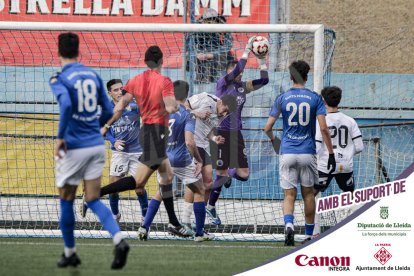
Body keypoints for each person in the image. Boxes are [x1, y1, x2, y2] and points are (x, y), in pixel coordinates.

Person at [50, 32, 129, 269]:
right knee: (93, 198)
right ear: (78, 51)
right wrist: (94, 126)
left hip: (74, 147)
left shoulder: (59, 78)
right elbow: (109, 110)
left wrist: (60, 137)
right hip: (96, 145)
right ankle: (118, 238)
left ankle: (70, 252)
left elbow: (65, 104)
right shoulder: (93, 75)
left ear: (58, 51)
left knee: (67, 198)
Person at [99, 46, 189, 236]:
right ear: (162, 61)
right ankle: (96, 193)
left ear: (146, 62)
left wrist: (106, 126)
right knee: (139, 181)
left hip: (147, 133)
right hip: (157, 133)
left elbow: (120, 106)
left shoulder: (135, 80)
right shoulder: (164, 81)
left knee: (167, 177)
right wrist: (179, 104)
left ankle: (173, 223)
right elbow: (172, 107)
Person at [263, 60, 336, 246]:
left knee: (289, 195)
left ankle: (288, 225)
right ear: (306, 76)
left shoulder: (282, 98)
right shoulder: (315, 98)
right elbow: (324, 128)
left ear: (290, 76)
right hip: (307, 152)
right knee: (309, 194)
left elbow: (267, 127)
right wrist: (331, 153)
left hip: (287, 151)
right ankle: (309, 235)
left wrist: (274, 140)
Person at [138, 80, 214, 242]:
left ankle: (144, 227)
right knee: (199, 191)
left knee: (161, 192)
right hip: (181, 160)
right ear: (187, 95)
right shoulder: (187, 114)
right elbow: (189, 142)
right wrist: (198, 160)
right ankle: (200, 233)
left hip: (164, 159)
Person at [207, 36, 270, 225]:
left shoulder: (243, 87)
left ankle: (228, 175)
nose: (240, 75)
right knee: (220, 174)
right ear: (228, 73)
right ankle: (210, 207)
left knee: (243, 174)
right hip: (220, 134)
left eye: (241, 74)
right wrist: (246, 50)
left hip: (237, 135)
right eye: (235, 72)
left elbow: (264, 80)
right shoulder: (222, 84)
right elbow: (238, 69)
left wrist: (260, 59)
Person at [183, 92, 238, 225]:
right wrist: (196, 112)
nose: (224, 114)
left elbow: (208, 131)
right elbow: (183, 106)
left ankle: (198, 219)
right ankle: (185, 220)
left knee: (207, 183)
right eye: (225, 110)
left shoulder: (221, 115)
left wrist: (214, 138)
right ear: (221, 103)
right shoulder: (205, 98)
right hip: (190, 142)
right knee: (196, 183)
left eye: (227, 113)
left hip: (202, 145)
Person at [105, 79, 148, 223]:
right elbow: (105, 130)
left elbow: (147, 115)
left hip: (137, 152)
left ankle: (145, 217)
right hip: (119, 152)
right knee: (113, 186)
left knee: (139, 187)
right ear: (109, 93)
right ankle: (115, 216)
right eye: (115, 90)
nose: (119, 92)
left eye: (121, 89)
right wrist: (113, 141)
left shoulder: (134, 104)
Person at [314, 86, 364, 195]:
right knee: (349, 194)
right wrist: (347, 153)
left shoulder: (320, 121)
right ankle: (350, 212)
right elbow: (359, 147)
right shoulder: (350, 121)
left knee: (312, 193)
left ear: (324, 101)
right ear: (339, 100)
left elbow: (316, 147)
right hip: (345, 164)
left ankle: (309, 212)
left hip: (325, 164)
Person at [190, 8, 234, 83]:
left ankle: (226, 79)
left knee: (229, 55)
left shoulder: (223, 27)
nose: (211, 23)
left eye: (213, 20)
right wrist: (197, 53)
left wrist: (212, 55)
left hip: (217, 52)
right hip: (202, 52)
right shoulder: (197, 29)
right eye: (208, 21)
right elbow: (190, 45)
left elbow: (228, 46)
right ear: (203, 21)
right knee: (192, 56)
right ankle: (201, 77)